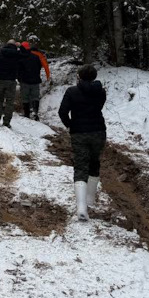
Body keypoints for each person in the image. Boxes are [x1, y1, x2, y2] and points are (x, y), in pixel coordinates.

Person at [58, 64, 107, 221]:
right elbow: (98, 107)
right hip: (98, 131)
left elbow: (62, 112)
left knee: (80, 166)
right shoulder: (101, 91)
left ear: (79, 76)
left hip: (79, 132)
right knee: (94, 163)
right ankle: (90, 200)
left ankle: (81, 207)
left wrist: (70, 124)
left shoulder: (72, 91)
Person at [0, 39, 22, 127]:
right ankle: (7, 121)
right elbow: (20, 65)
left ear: (6, 44)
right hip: (11, 81)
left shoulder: (0, 52)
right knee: (10, 102)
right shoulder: (17, 54)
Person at [18, 41, 44, 120]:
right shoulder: (35, 57)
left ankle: (27, 114)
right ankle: (35, 113)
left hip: (24, 81)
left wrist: (19, 78)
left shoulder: (20, 58)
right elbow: (40, 66)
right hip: (35, 81)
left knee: (25, 98)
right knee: (35, 97)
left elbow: (18, 70)